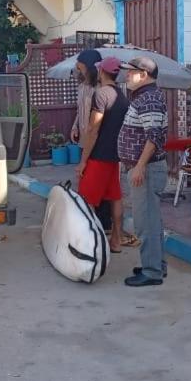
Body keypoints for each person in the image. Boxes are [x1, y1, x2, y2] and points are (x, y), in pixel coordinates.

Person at [118, 56, 169, 287]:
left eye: (130, 71)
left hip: (145, 170)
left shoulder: (148, 99)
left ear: (143, 75)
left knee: (145, 223)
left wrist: (138, 166)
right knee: (152, 221)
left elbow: (154, 136)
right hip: (143, 168)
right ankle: (156, 266)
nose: (126, 75)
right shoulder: (145, 97)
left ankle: (151, 272)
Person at [75, 56, 129, 252]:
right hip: (114, 157)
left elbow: (93, 130)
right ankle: (116, 240)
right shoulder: (122, 97)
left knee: (86, 201)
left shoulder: (101, 94)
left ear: (102, 72)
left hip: (98, 157)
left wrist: (83, 161)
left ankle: (88, 245)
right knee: (115, 197)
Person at [69, 48, 100, 147]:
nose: (79, 71)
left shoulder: (99, 88)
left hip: (96, 140)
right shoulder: (81, 87)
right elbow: (80, 110)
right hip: (83, 138)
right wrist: (75, 126)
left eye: (81, 68)